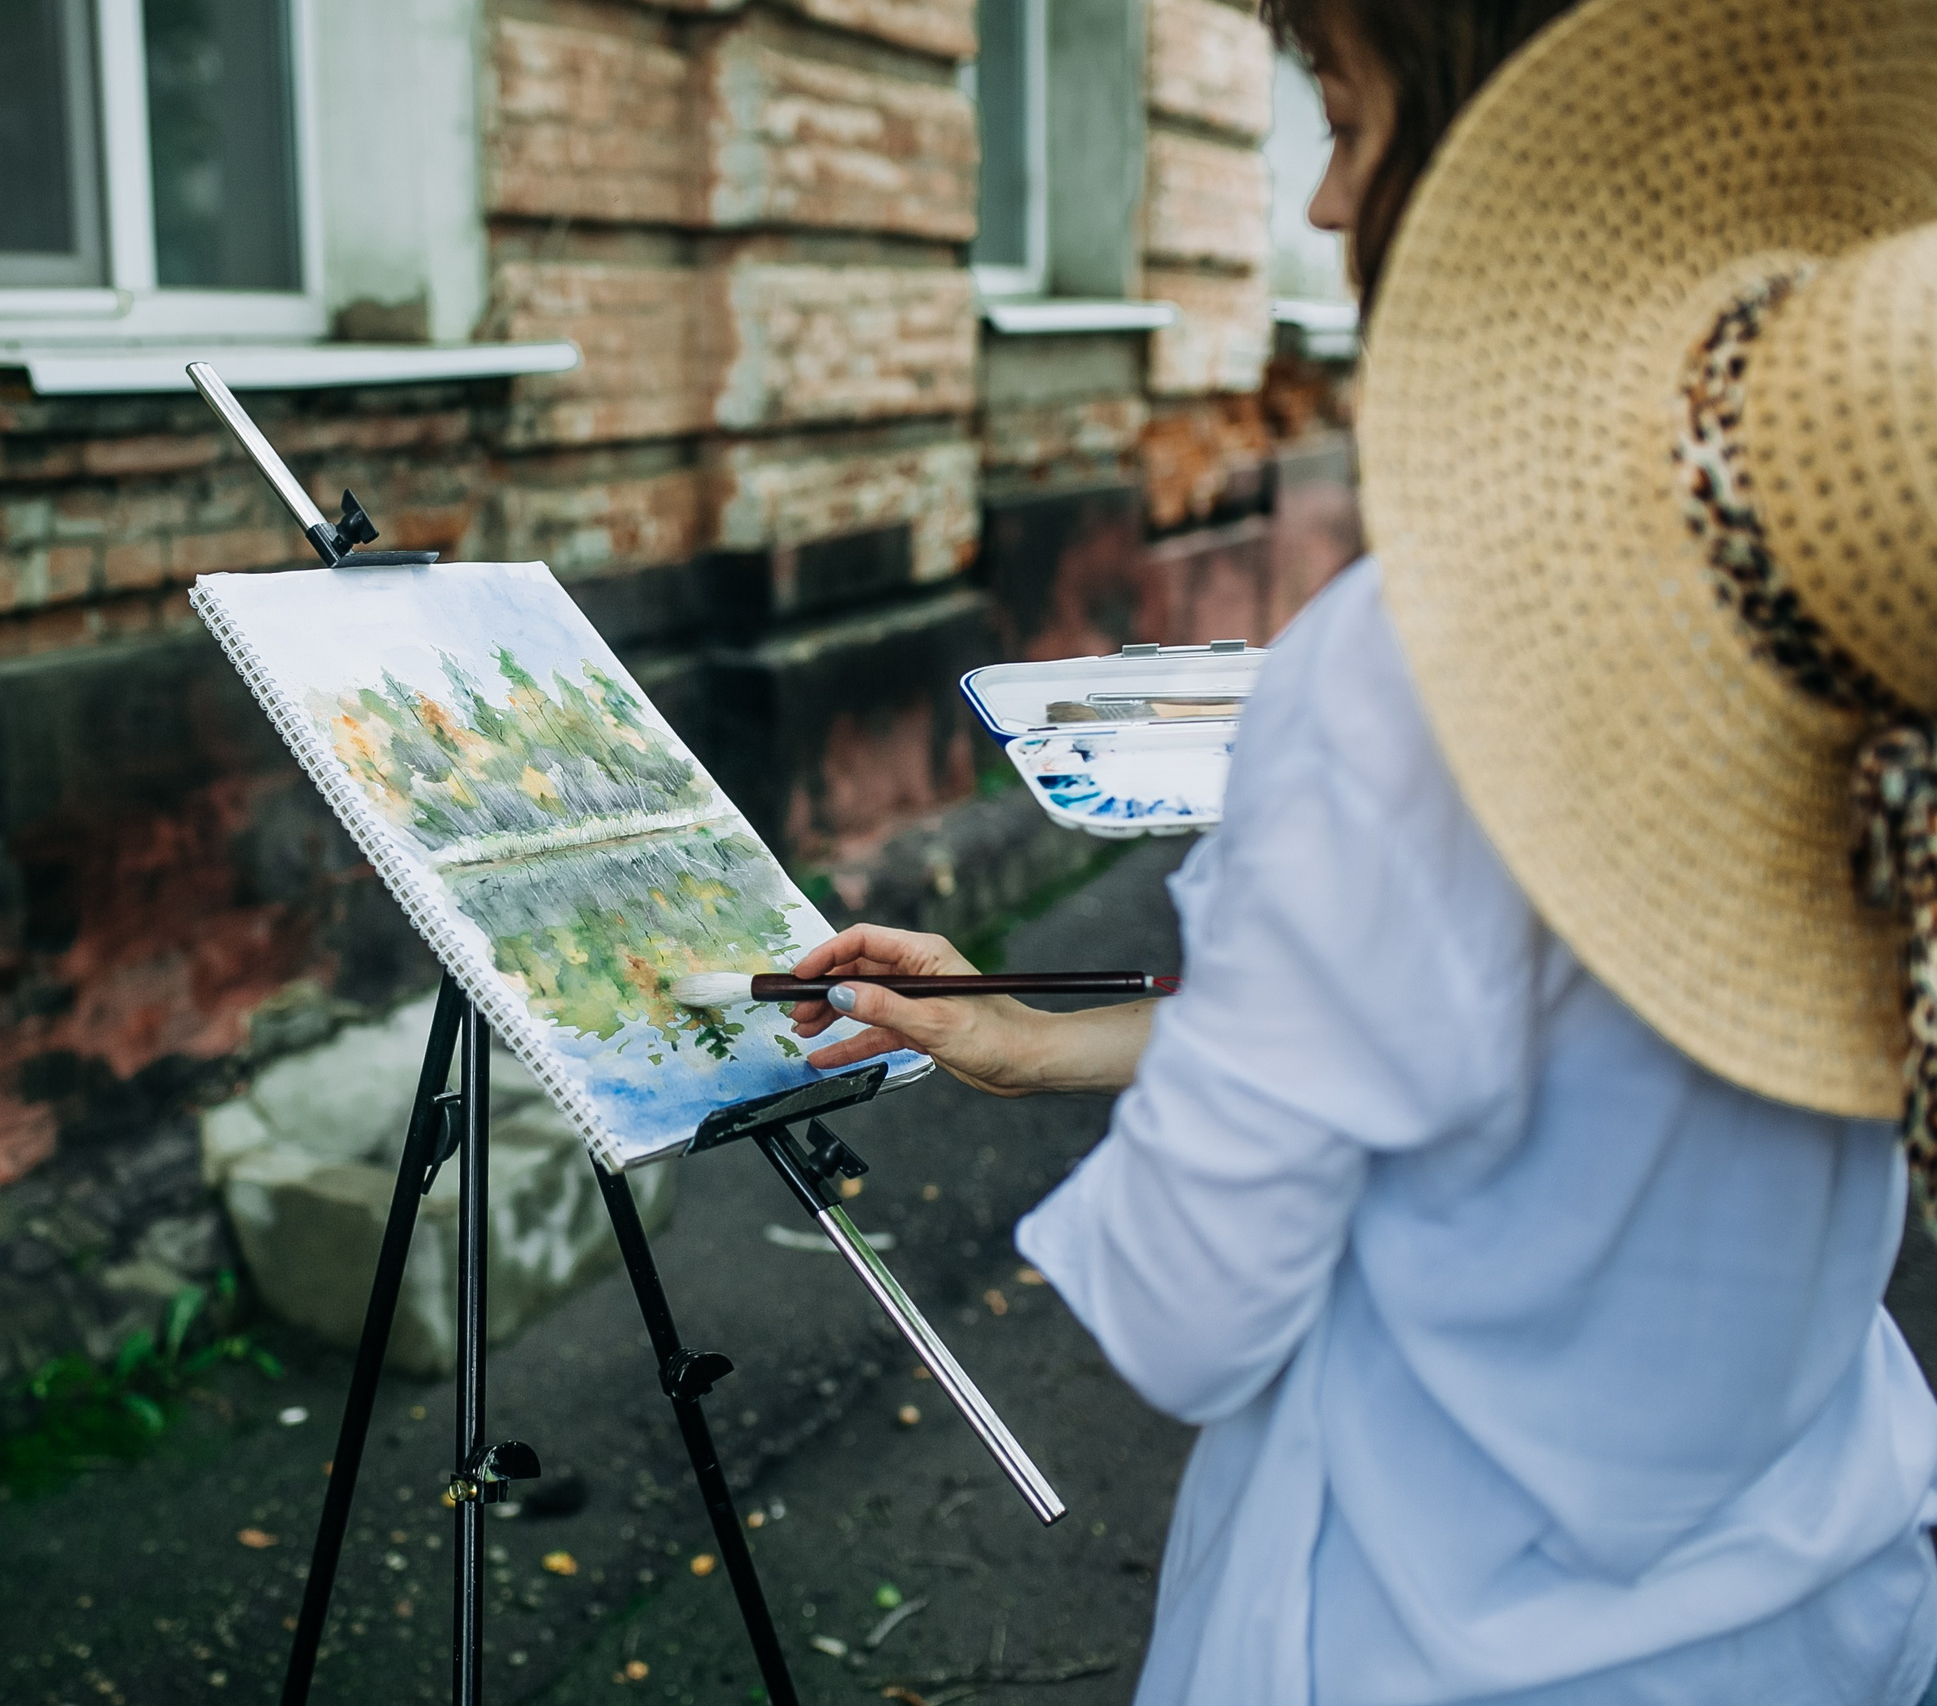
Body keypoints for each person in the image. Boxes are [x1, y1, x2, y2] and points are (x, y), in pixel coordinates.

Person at [793, 0, 1937, 1700]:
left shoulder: (1425, 659)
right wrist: (1050, 1045)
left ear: (1496, 140)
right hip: (1829, 1612)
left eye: (1341, 110)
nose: (1323, 201)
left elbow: (1193, 1306)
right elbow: (1542, 1072)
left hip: (1438, 1632)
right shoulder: (1871, 635)